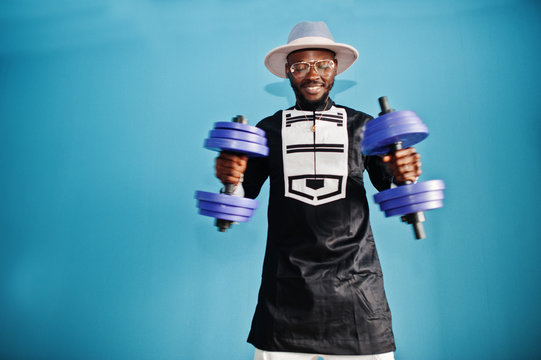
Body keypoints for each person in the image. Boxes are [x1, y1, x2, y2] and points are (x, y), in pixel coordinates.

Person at [215, 21, 421, 360]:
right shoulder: (267, 130)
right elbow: (238, 202)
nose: (313, 75)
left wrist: (405, 174)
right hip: (286, 290)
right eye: (301, 66)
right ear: (288, 72)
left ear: (335, 68)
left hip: (357, 287)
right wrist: (230, 181)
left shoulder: (366, 126)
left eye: (323, 64)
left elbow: (397, 192)